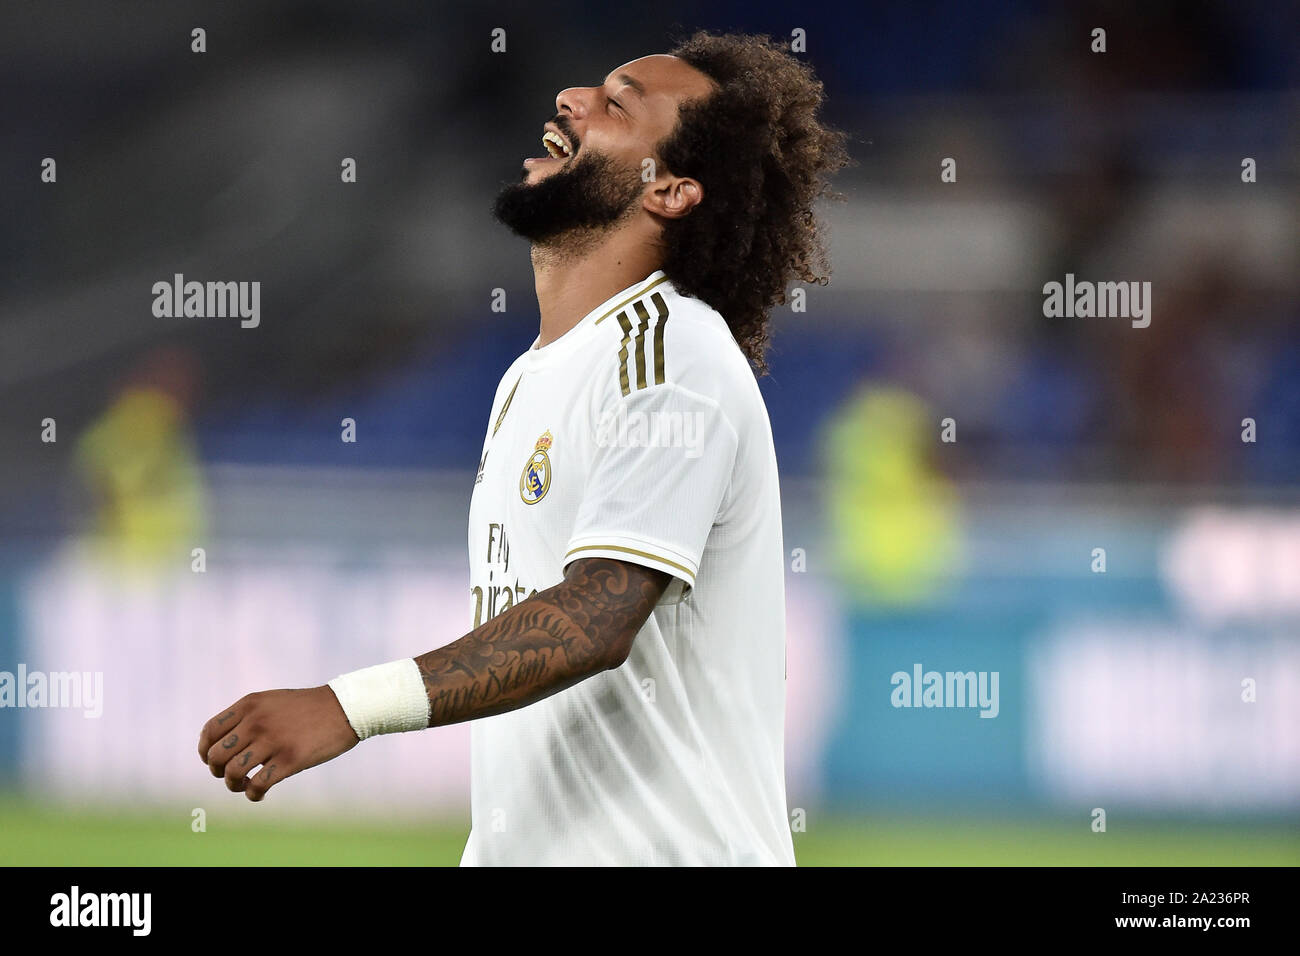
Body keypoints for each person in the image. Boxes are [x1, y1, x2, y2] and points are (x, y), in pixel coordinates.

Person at [198, 30, 848, 866]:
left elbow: (597, 615)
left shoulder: (673, 357)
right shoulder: (533, 377)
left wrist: (350, 705)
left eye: (618, 104)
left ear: (674, 190)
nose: (571, 100)